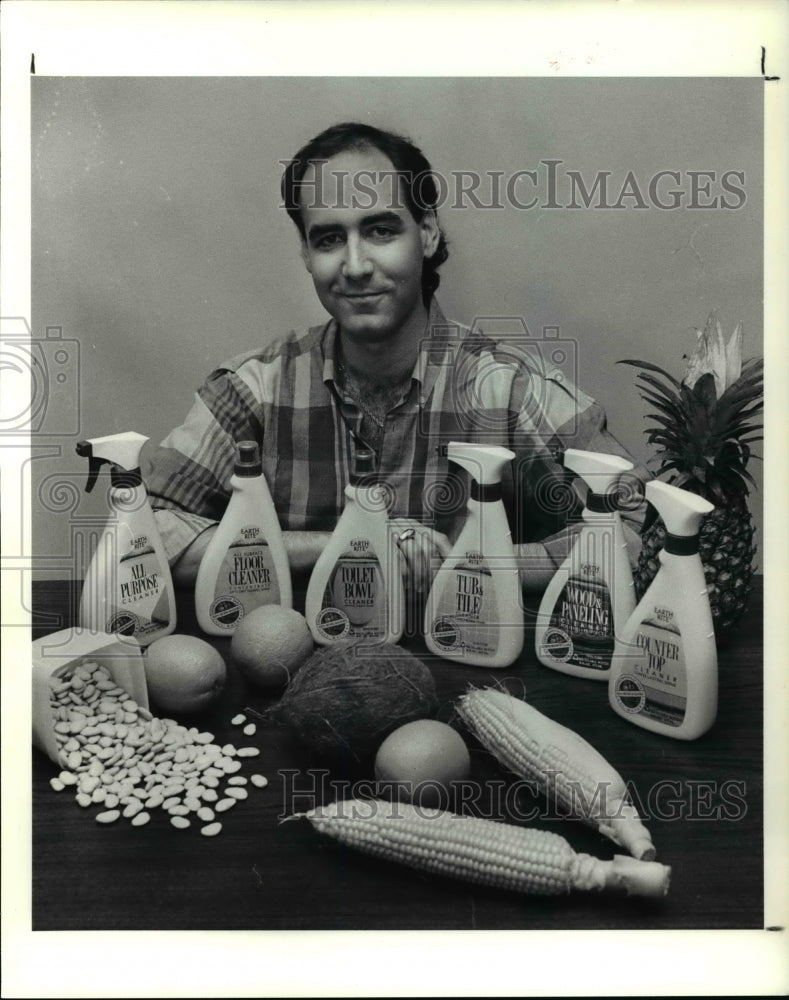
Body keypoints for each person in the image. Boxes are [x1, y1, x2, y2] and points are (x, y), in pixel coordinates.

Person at [145, 121, 647, 593]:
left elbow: (640, 530)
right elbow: (144, 535)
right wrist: (348, 545)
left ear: (426, 234)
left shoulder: (509, 389)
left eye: (381, 230)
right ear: (305, 253)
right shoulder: (254, 389)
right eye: (329, 238)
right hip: (297, 665)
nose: (356, 265)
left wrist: (467, 561)